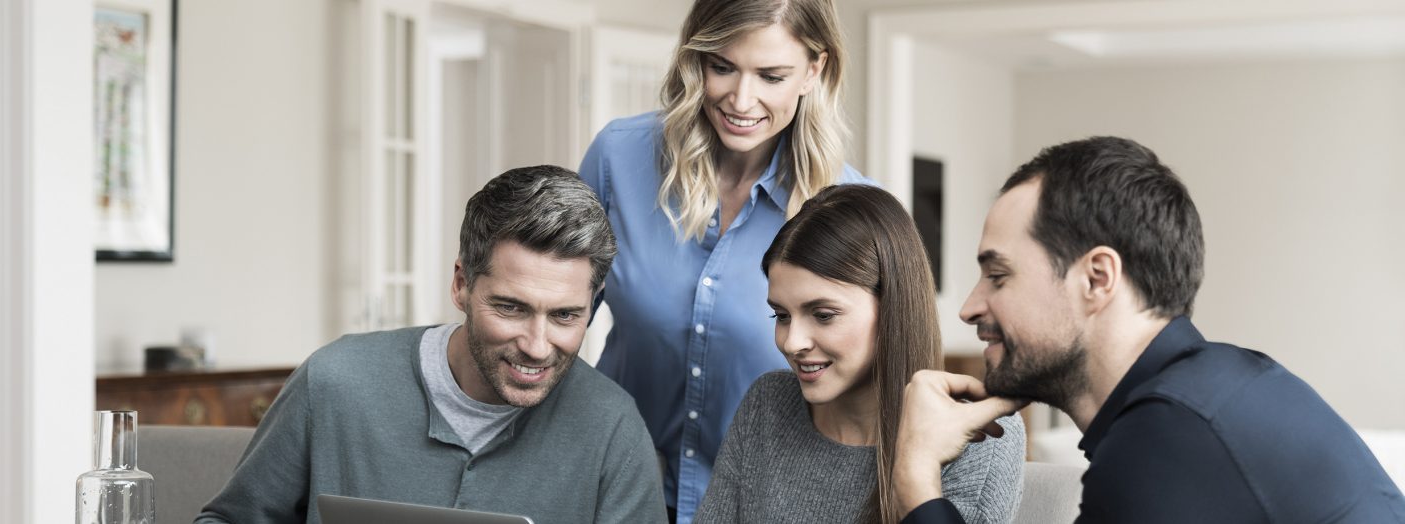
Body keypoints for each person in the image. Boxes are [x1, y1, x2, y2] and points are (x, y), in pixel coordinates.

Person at [891, 137, 1405, 523]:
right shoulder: (1215, 389)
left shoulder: (1169, 437)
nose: (968, 307)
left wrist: (916, 476)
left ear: (1097, 279)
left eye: (998, 276)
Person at [196, 166, 666, 524]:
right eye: (511, 308)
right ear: (461, 284)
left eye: (565, 316)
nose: (538, 346)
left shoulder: (614, 431)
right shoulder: (334, 382)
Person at [578, 1, 869, 520]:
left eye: (771, 76)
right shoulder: (618, 158)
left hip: (762, 505)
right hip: (614, 492)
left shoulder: (852, 208)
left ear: (814, 70)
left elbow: (870, 387)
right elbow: (559, 313)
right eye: (722, 66)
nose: (741, 99)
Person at [694, 185, 1024, 524]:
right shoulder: (767, 404)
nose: (792, 343)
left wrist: (915, 471)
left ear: (893, 307)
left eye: (823, 315)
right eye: (781, 315)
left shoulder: (979, 435)